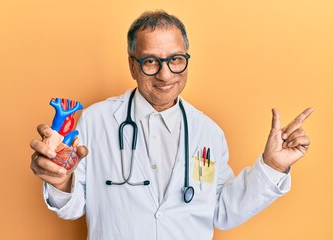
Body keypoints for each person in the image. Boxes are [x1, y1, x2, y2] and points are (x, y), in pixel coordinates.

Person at [30, 10, 313, 240]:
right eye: (151, 61)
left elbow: (223, 212)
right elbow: (73, 207)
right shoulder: (96, 119)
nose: (166, 75)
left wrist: (272, 167)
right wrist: (60, 181)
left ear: (186, 60)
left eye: (176, 59)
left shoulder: (208, 131)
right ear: (132, 65)